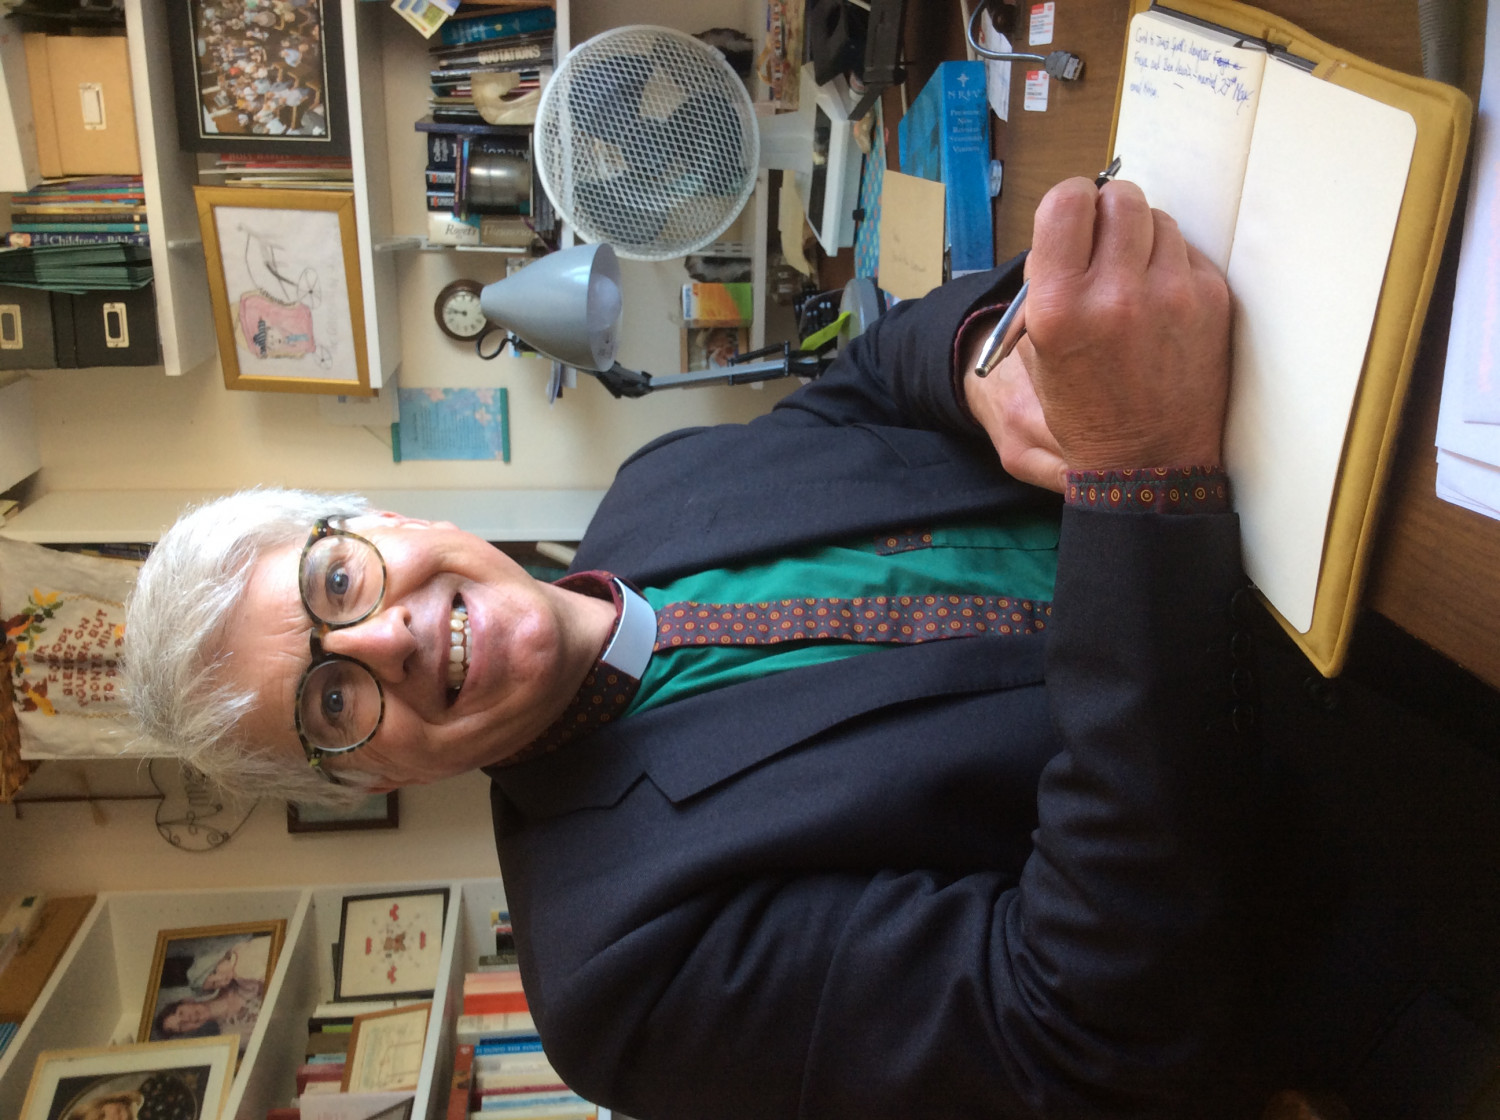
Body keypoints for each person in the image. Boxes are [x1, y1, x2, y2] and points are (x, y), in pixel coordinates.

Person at [122, 178, 1500, 1118]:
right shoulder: (616, 981)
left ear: (380, 517)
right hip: (1420, 889)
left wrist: (972, 360)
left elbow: (871, 375)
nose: (395, 635)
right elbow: (1078, 1029)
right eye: (333, 699)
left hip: (1377, 559)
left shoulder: (655, 489)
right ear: (365, 782)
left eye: (336, 578)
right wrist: (1140, 476)